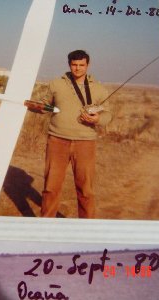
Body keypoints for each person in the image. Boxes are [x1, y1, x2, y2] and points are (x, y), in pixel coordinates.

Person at [40, 50, 111, 218]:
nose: (78, 68)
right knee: (51, 187)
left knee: (86, 190)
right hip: (57, 140)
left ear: (88, 65)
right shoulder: (56, 84)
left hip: (85, 143)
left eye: (81, 65)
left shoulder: (100, 89)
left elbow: (108, 115)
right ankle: (45, 226)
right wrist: (39, 107)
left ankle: (87, 228)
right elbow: (44, 104)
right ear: (69, 64)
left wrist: (97, 119)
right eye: (74, 64)